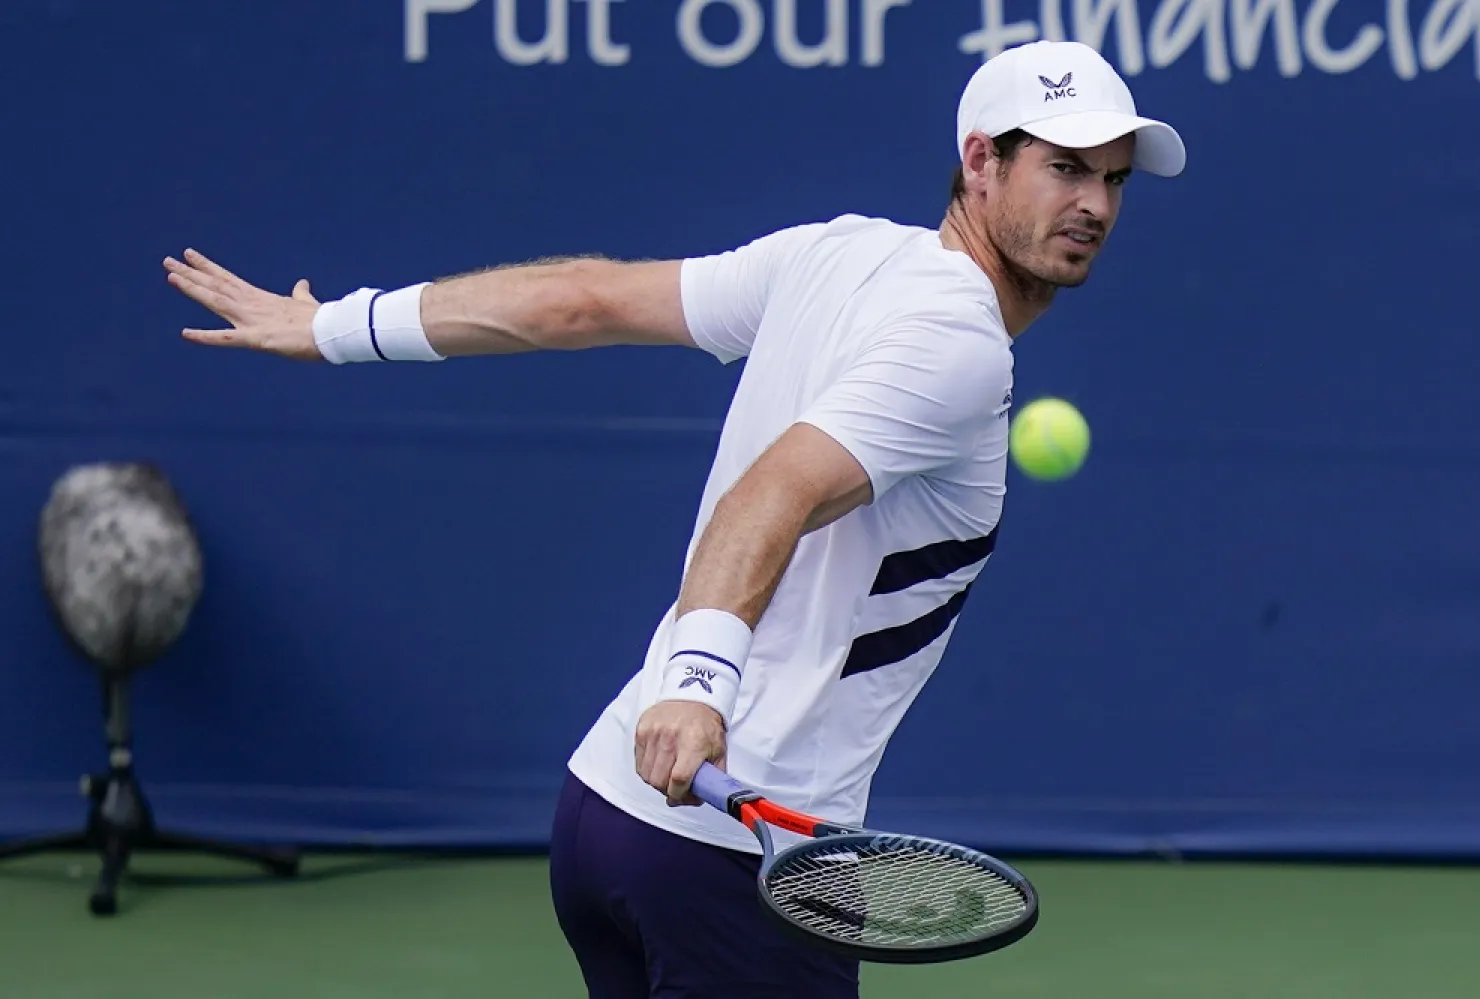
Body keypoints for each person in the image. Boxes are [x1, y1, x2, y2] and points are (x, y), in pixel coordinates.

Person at [164, 38, 1184, 999]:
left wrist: (335, 326)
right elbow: (767, 498)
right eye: (1065, 167)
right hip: (736, 852)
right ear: (981, 163)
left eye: (1113, 179)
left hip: (607, 812)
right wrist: (699, 686)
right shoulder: (961, 348)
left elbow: (581, 301)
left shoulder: (833, 254)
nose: (1094, 203)